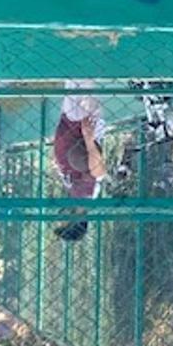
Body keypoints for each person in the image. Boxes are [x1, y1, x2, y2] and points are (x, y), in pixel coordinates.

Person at [52, 85, 107, 242]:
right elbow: (99, 172)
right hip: (80, 123)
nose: (58, 216)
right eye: (62, 222)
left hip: (72, 123)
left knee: (75, 78)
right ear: (74, 222)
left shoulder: (76, 195)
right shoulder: (86, 195)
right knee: (81, 76)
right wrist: (88, 138)